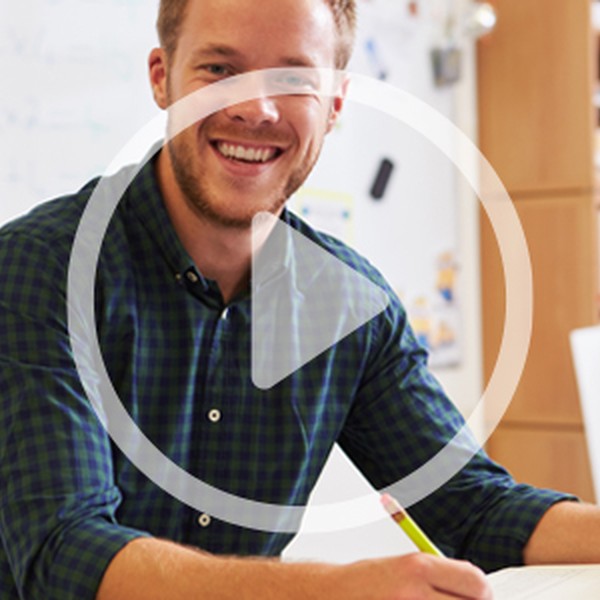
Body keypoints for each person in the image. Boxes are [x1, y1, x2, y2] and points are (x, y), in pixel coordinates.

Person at [1, 0, 600, 598]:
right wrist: (331, 589)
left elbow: (477, 508)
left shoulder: (350, 307)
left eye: (292, 80)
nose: (254, 108)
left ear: (334, 104)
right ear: (162, 77)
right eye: (218, 70)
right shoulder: (40, 269)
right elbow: (64, 554)